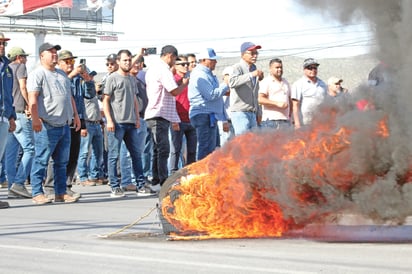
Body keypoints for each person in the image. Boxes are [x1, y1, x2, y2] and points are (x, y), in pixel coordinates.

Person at [28, 42, 81, 205]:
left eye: (55, 52)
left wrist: (76, 116)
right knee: (41, 159)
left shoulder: (62, 74)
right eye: (50, 52)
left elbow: (69, 97)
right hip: (46, 123)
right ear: (42, 56)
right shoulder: (38, 74)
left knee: (61, 162)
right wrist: (36, 119)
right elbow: (33, 98)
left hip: (64, 124)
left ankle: (60, 192)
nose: (54, 54)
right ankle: (37, 192)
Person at [103, 49, 154, 198]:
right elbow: (105, 100)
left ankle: (140, 185)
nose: (127, 62)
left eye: (129, 60)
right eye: (124, 60)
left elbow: (133, 99)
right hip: (117, 123)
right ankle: (114, 187)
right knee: (114, 155)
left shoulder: (132, 79)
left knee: (136, 155)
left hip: (132, 122)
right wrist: (109, 120)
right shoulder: (112, 78)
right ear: (118, 61)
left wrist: (137, 118)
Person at [43, 50, 88, 199]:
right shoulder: (58, 76)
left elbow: (90, 95)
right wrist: (72, 75)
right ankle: (50, 186)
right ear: (60, 63)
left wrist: (87, 80)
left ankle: (66, 186)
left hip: (77, 118)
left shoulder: (77, 78)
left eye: (72, 62)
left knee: (72, 154)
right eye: (67, 61)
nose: (71, 64)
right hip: (58, 119)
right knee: (54, 156)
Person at [145, 45, 188, 189]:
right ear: (170, 56)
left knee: (158, 150)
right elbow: (174, 91)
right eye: (175, 59)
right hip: (159, 114)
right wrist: (183, 84)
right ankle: (161, 181)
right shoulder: (163, 70)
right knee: (162, 149)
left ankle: (157, 179)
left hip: (157, 114)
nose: (174, 63)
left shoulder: (153, 69)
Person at [188, 48, 229, 160]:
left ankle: (208, 174)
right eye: (213, 60)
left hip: (209, 115)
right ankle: (202, 174)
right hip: (203, 115)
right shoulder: (200, 74)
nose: (215, 62)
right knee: (206, 150)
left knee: (212, 150)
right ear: (204, 60)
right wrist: (225, 84)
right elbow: (210, 95)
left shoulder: (207, 74)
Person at [4, 46, 33, 199]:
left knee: (11, 153)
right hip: (20, 112)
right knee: (30, 149)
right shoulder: (21, 67)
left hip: (10, 114)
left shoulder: (6, 68)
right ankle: (19, 183)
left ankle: (11, 188)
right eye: (24, 56)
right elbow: (23, 86)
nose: (26, 60)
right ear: (18, 57)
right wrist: (29, 104)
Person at [229, 42, 264, 136]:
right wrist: (251, 75)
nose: (255, 56)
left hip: (252, 113)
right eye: (252, 53)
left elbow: (255, 93)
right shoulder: (237, 67)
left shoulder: (254, 68)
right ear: (243, 54)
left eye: (256, 53)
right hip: (240, 112)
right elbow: (232, 82)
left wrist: (258, 111)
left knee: (253, 144)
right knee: (243, 144)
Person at [169, 55, 197, 174]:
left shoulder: (191, 79)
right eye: (182, 64)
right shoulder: (172, 80)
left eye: (187, 64)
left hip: (191, 119)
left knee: (192, 150)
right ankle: (172, 175)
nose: (186, 66)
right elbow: (170, 101)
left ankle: (190, 174)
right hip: (177, 120)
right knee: (175, 150)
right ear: (175, 66)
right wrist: (173, 119)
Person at [77, 70, 104, 187]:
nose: (92, 78)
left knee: (98, 152)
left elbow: (95, 106)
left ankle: (94, 175)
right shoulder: (84, 88)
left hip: (96, 123)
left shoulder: (92, 89)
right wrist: (83, 126)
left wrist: (101, 120)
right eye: (89, 76)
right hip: (87, 124)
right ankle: (82, 177)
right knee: (84, 152)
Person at [0, 32, 16, 209]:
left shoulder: (7, 68)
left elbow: (9, 95)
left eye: (3, 43)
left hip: (4, 116)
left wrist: (12, 117)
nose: (2, 46)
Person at [291, 58, 327, 129]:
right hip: (305, 123)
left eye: (315, 68)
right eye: (310, 68)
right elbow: (295, 105)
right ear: (304, 69)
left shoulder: (322, 84)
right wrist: (297, 123)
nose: (313, 70)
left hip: (320, 122)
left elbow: (326, 103)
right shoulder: (298, 84)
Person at [258, 58, 292, 130]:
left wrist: (291, 116)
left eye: (281, 67)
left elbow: (290, 100)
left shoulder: (286, 82)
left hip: (285, 121)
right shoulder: (266, 81)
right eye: (277, 67)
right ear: (270, 69)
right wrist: (277, 103)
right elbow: (260, 99)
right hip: (271, 122)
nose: (279, 69)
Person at [218, 66, 235, 146]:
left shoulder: (236, 87)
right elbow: (220, 107)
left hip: (235, 120)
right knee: (225, 146)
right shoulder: (221, 88)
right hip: (226, 121)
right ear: (224, 76)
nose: (230, 77)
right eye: (228, 75)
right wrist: (224, 121)